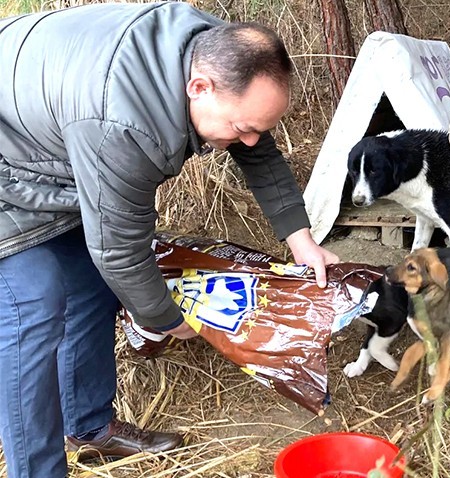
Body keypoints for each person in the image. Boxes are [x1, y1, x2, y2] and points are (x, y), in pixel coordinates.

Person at [0, 3, 339, 477]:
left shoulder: (219, 52)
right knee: (32, 304)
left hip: (53, 141)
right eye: (241, 128)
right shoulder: (123, 122)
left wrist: (301, 240)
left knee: (91, 283)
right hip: (10, 162)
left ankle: (89, 428)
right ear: (199, 87)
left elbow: (256, 144)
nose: (248, 140)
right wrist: (165, 317)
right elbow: (119, 251)